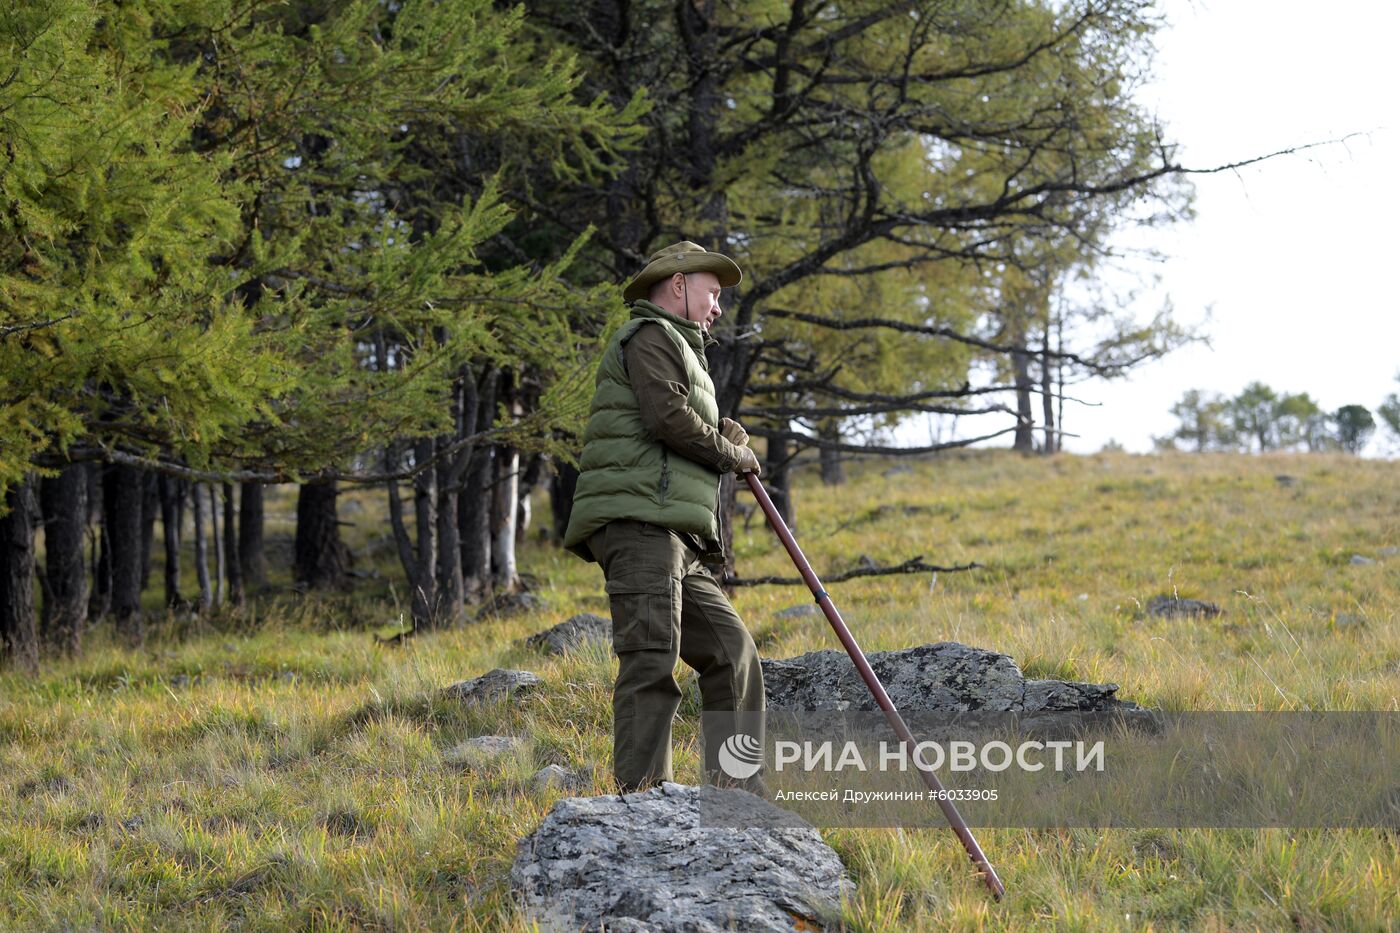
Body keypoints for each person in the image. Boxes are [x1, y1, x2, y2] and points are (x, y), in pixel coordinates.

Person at [563, 240, 766, 793]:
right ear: (679, 284)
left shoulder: (678, 346)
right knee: (651, 665)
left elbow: (675, 419)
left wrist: (722, 435)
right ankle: (645, 811)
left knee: (733, 654)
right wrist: (731, 453)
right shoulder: (650, 336)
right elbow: (668, 420)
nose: (718, 306)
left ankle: (735, 799)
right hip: (641, 524)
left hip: (674, 535)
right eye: (713, 292)